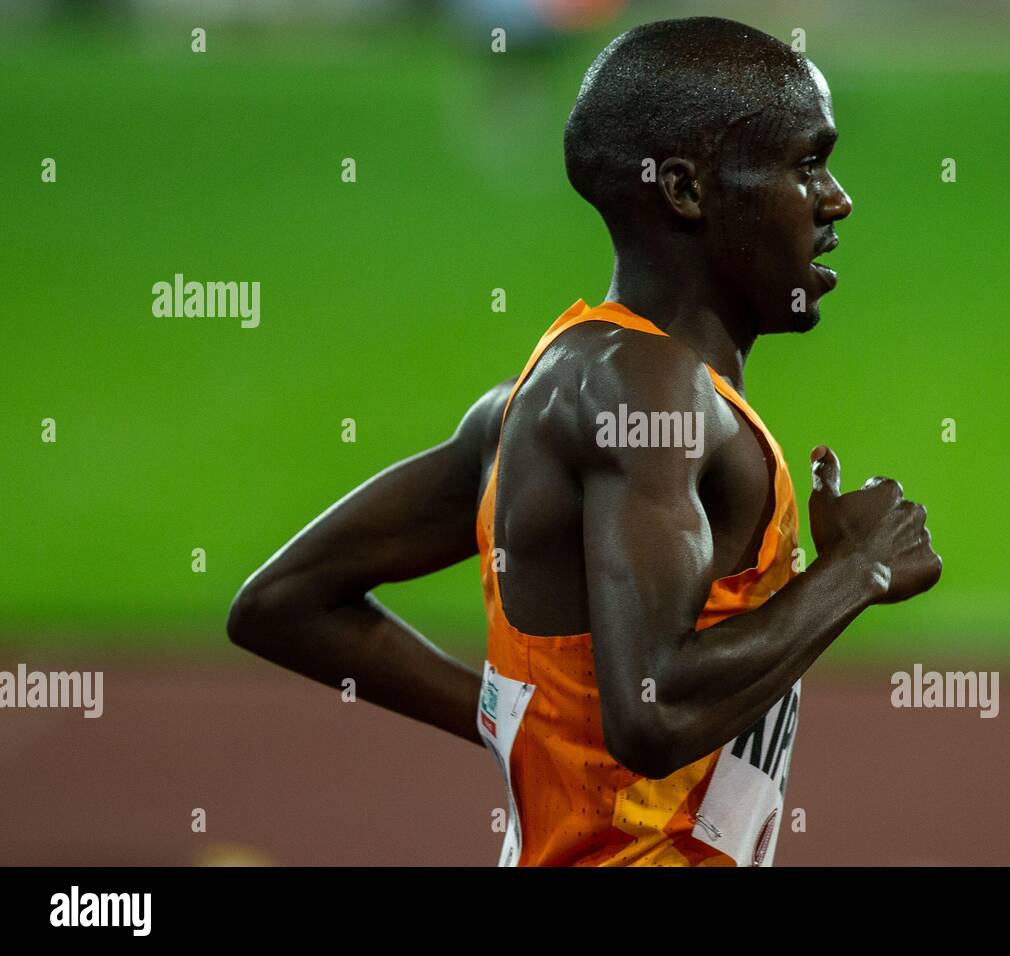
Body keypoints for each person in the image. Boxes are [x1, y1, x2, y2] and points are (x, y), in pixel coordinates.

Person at [227, 16, 941, 867]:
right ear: (685, 190)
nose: (836, 199)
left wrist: (519, 723)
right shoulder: (644, 388)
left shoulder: (545, 396)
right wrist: (855, 572)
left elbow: (286, 602)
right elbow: (654, 714)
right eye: (806, 163)